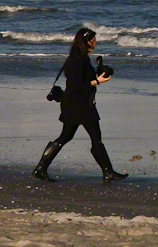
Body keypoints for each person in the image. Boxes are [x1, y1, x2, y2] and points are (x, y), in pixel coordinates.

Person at [32, 27, 129, 184]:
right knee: (89, 138)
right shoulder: (77, 59)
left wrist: (98, 75)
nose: (95, 43)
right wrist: (97, 81)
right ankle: (107, 172)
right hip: (77, 105)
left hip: (80, 104)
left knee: (70, 137)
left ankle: (41, 168)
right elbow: (75, 86)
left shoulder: (80, 57)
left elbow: (81, 81)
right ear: (85, 42)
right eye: (93, 41)